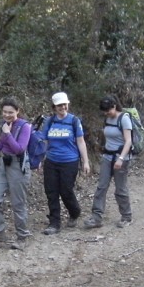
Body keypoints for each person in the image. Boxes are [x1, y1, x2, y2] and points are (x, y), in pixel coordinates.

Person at [37, 91, 90, 235]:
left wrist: (85, 161)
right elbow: (45, 141)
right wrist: (41, 159)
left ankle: (75, 211)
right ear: (54, 107)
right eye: (59, 105)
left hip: (70, 161)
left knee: (66, 190)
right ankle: (54, 222)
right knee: (51, 192)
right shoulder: (49, 121)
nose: (63, 107)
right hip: (51, 161)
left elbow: (80, 141)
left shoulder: (74, 121)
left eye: (64, 104)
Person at [0, 97, 32, 248]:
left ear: (18, 111)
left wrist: (8, 133)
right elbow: (1, 142)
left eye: (10, 112)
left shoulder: (25, 126)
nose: (7, 115)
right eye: (4, 112)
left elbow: (19, 149)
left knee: (18, 202)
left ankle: (22, 237)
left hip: (18, 166)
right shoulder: (5, 125)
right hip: (3, 163)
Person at [83, 95, 133, 229]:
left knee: (120, 189)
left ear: (114, 106)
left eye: (108, 110)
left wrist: (121, 159)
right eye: (104, 111)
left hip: (121, 157)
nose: (106, 113)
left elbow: (128, 141)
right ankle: (96, 217)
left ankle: (126, 216)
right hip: (107, 156)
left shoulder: (124, 119)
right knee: (101, 187)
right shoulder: (107, 118)